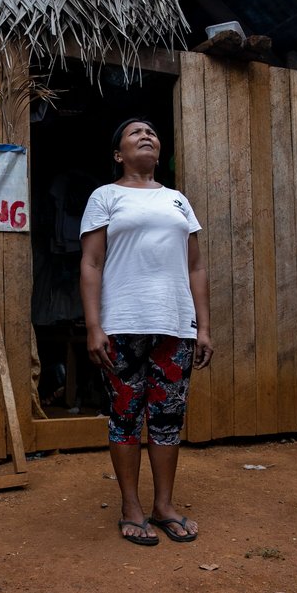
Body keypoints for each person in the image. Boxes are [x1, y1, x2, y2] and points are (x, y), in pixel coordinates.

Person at [79, 118, 212, 546]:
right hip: (121, 323)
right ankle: (131, 506)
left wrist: (203, 326)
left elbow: (195, 267)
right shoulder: (106, 196)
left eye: (152, 132)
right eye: (135, 133)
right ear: (118, 154)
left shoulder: (178, 201)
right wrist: (94, 325)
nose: (147, 135)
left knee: (169, 419)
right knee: (125, 416)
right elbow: (91, 264)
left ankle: (164, 506)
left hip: (174, 324)